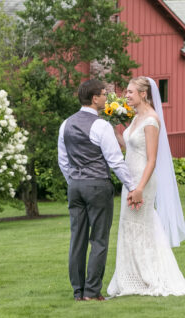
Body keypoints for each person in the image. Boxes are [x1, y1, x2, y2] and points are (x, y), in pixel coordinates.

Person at [107, 76, 185, 297]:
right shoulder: (136, 118)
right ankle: (132, 276)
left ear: (143, 94)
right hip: (130, 179)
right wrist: (113, 131)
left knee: (142, 225)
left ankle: (150, 276)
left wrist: (139, 188)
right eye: (126, 92)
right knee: (130, 226)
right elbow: (129, 145)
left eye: (130, 92)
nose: (126, 96)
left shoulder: (151, 120)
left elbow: (151, 159)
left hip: (142, 180)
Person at [58, 79, 140, 301]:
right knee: (99, 240)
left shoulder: (65, 124)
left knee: (77, 239)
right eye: (104, 94)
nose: (106, 98)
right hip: (97, 186)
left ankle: (78, 291)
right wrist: (132, 186)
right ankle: (92, 292)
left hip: (75, 186)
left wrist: (74, 181)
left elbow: (63, 161)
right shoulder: (101, 126)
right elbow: (115, 161)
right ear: (95, 98)